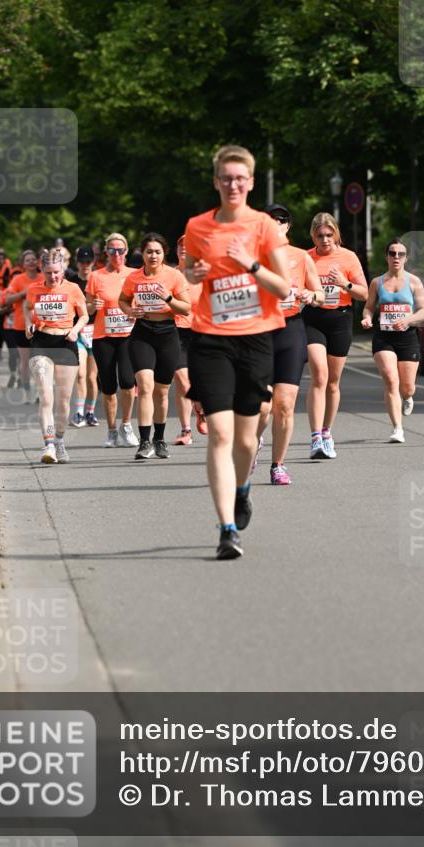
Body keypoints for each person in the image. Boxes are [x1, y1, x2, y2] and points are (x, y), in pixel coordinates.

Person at [184, 144, 290, 560]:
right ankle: (227, 528)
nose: (232, 185)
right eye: (225, 178)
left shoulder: (264, 227)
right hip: (210, 338)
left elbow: (283, 288)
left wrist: (250, 264)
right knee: (221, 435)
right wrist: (193, 274)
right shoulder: (197, 227)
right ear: (216, 182)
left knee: (246, 441)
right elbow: (193, 272)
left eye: (240, 179)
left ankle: (242, 490)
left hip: (255, 338)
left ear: (250, 182)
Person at [254, 204, 324, 485]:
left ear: (288, 226)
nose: (277, 223)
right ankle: (254, 440)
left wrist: (310, 294)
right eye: (271, 220)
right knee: (261, 407)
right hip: (260, 331)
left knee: (284, 405)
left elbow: (321, 294)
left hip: (291, 330)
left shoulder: (301, 257)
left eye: (282, 220)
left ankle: (277, 465)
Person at [118, 233, 190, 460]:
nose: (153, 256)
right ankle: (144, 441)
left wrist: (168, 298)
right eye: (149, 251)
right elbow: (123, 300)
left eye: (158, 252)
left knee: (162, 391)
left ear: (164, 254)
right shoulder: (134, 278)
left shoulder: (174, 276)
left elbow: (186, 308)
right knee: (145, 387)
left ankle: (159, 440)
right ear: (143, 253)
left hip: (168, 334)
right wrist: (130, 311)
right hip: (142, 333)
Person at [303, 213, 368, 459]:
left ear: (336, 234)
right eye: (320, 236)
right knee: (319, 375)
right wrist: (304, 293)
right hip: (313, 319)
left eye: (329, 235)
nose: (325, 240)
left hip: (340, 320)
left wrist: (344, 284)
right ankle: (315, 437)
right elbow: (293, 285)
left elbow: (363, 293)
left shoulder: (348, 257)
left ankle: (327, 432)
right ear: (313, 236)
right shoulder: (306, 258)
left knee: (332, 381)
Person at [361, 238, 424, 443]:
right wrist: (366, 317)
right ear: (387, 257)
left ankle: (408, 398)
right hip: (384, 338)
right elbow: (369, 307)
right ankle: (397, 428)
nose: (396, 257)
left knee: (407, 387)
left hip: (407, 337)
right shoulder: (377, 282)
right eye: (392, 254)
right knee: (391, 380)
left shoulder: (414, 281)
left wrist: (408, 320)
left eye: (400, 254)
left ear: (406, 258)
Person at [24, 248, 88, 464]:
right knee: (46, 397)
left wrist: (75, 330)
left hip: (66, 343)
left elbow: (84, 316)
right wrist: (28, 325)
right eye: (48, 272)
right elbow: (28, 309)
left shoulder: (74, 289)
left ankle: (60, 441)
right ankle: (48, 445)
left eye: (57, 272)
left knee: (63, 401)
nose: (53, 277)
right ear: (41, 270)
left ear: (63, 270)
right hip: (42, 343)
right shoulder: (34, 289)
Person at [86, 233, 139, 448]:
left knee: (127, 383)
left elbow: (141, 303)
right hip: (103, 337)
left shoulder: (135, 275)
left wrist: (135, 311)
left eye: (120, 250)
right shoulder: (95, 276)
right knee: (108, 387)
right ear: (106, 252)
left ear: (126, 251)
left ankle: (126, 425)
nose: (116, 254)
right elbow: (86, 308)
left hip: (128, 336)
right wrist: (93, 307)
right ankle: (111, 431)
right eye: (112, 250)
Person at [172, 234, 207, 445]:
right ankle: (188, 427)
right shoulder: (169, 274)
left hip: (200, 331)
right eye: (180, 245)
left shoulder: (202, 275)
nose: (184, 248)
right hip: (175, 331)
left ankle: (191, 422)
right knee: (182, 380)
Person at [66, 246, 99, 427]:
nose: (85, 265)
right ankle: (78, 413)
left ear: (93, 262)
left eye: (88, 261)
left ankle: (90, 412)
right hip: (78, 331)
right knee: (80, 374)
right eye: (82, 261)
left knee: (92, 377)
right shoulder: (71, 282)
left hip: (97, 332)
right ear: (77, 262)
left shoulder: (99, 279)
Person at [4, 250, 43, 401]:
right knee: (25, 363)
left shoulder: (43, 277)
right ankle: (27, 392)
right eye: (28, 260)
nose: (32, 262)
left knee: (41, 361)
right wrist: (23, 293)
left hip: (41, 326)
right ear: (23, 264)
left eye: (34, 259)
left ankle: (41, 392)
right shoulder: (18, 279)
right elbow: (8, 299)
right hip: (22, 326)